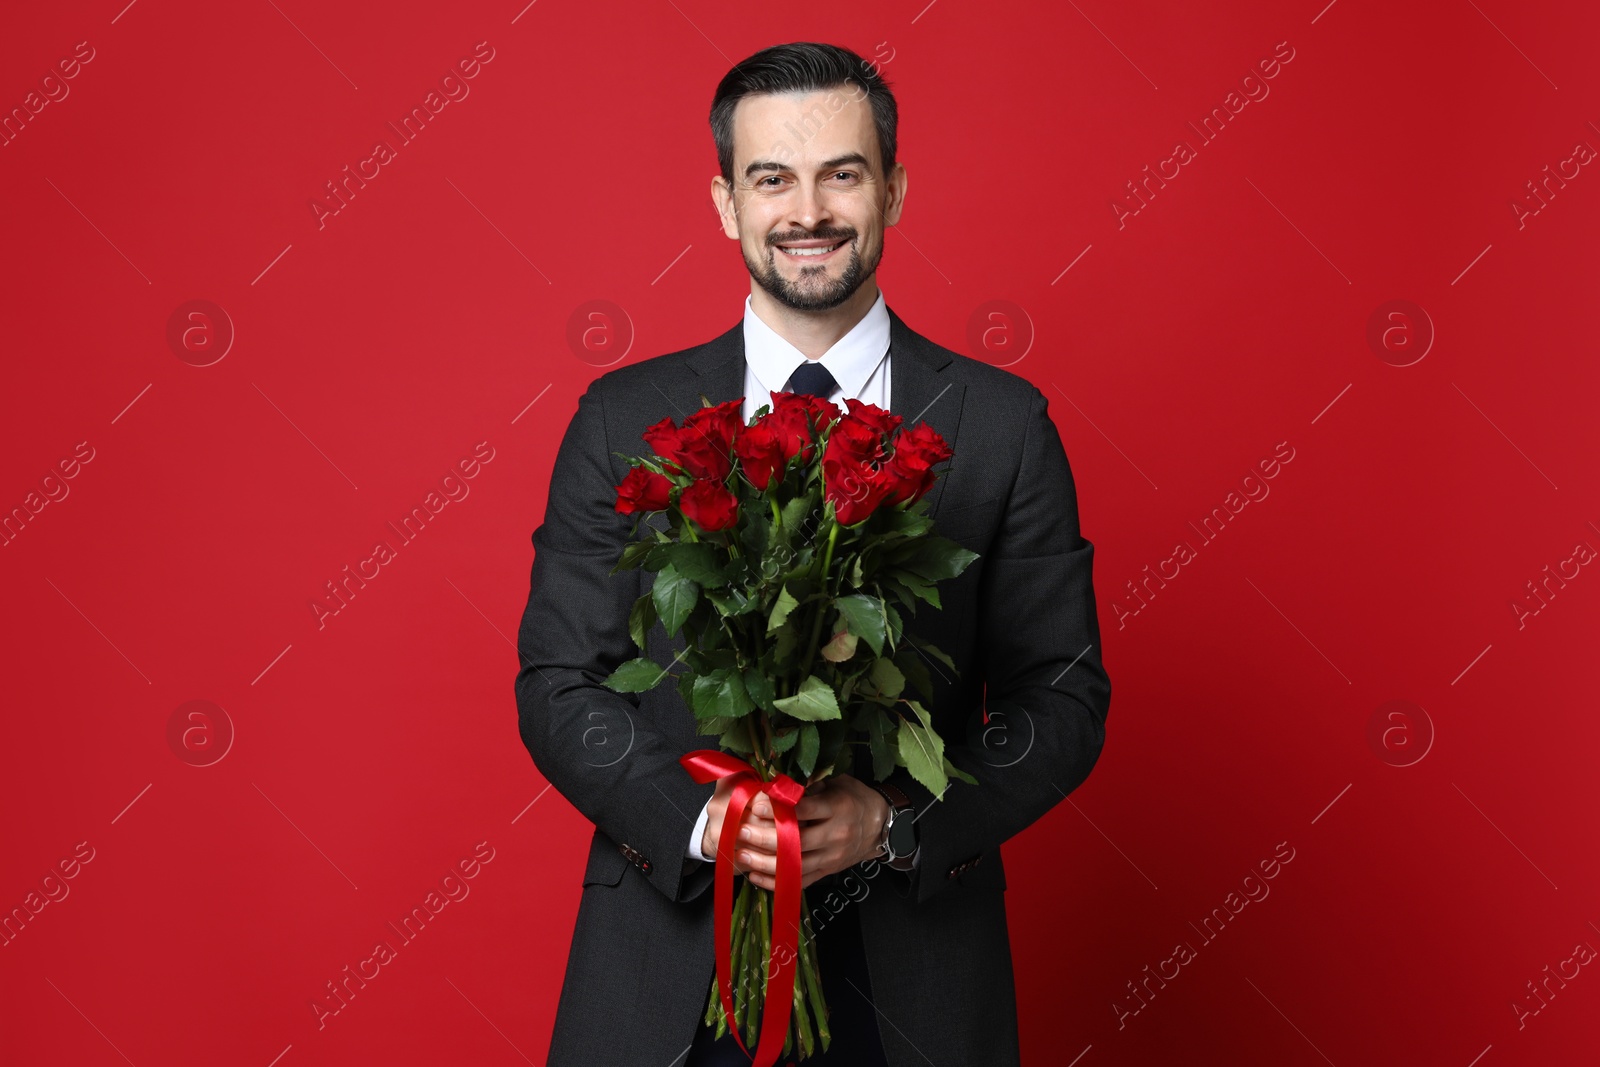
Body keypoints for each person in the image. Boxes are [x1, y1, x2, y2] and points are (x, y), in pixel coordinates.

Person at [515, 41, 1111, 1067]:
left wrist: (893, 819)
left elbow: (1059, 700)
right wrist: (703, 818)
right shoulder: (623, 418)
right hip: (666, 961)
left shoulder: (1003, 426)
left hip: (915, 973)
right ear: (724, 202)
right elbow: (560, 683)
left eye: (841, 172)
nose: (808, 211)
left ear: (892, 188)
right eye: (771, 178)